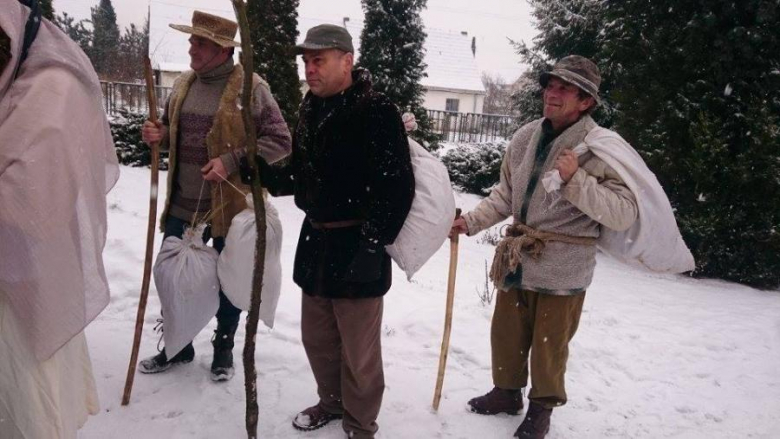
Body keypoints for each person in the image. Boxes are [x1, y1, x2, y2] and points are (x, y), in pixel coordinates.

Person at [451, 55, 639, 438]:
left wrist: (577, 180)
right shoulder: (525, 136)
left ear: (586, 101)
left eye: (564, 89)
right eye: (550, 86)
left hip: (563, 266)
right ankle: (506, 393)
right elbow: (506, 194)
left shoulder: (600, 149)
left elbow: (622, 213)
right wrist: (470, 222)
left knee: (549, 344)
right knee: (506, 332)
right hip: (518, 257)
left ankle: (542, 409)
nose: (552, 94)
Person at [245, 24, 414, 439]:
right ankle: (332, 402)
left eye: (318, 60)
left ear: (347, 61)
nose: (309, 69)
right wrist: (265, 174)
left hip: (359, 242)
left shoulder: (376, 111)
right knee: (317, 337)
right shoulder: (311, 107)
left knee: (359, 351)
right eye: (306, 61)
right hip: (316, 241)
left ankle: (359, 424)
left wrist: (373, 244)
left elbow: (396, 187)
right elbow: (304, 173)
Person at [139, 11, 291, 381]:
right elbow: (174, 133)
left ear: (223, 49)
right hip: (181, 204)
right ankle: (178, 345)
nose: (191, 47)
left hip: (227, 210)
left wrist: (232, 159)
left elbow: (280, 141)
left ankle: (223, 347)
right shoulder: (184, 84)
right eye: (191, 40)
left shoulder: (250, 88)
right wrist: (159, 134)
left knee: (227, 281)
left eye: (199, 42)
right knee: (174, 279)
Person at [0, 0, 120, 437]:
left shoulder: (53, 88)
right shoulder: (12, 78)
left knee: (25, 407)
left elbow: (32, 209)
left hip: (24, 284)